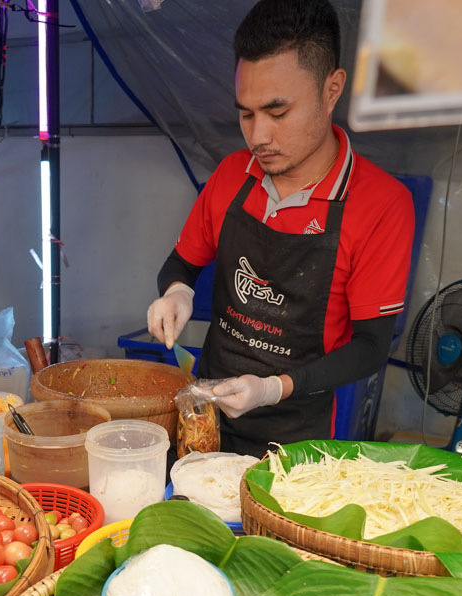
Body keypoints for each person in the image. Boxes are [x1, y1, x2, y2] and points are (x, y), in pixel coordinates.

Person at [146, 0, 414, 456]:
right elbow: (182, 262)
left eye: (277, 111)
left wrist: (273, 388)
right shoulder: (232, 176)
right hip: (205, 420)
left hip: (298, 436)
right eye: (246, 114)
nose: (258, 137)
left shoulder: (380, 204)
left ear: (332, 90)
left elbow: (371, 345)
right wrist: (176, 292)